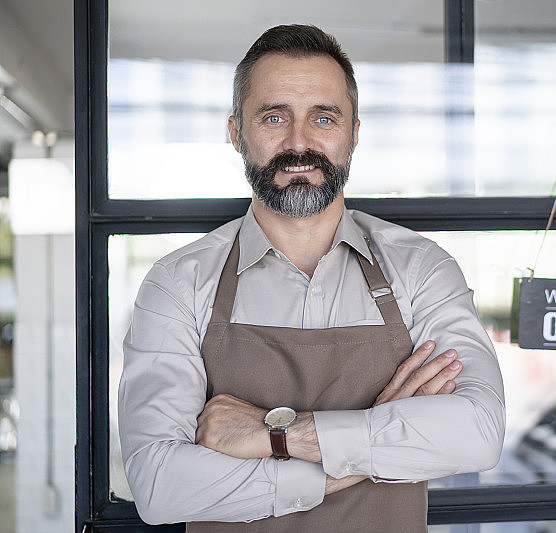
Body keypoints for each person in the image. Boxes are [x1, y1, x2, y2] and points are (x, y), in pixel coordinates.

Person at [118, 24, 505, 532]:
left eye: (324, 118)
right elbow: (159, 487)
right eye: (274, 117)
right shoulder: (178, 283)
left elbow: (478, 430)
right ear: (237, 132)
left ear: (354, 134)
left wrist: (274, 435)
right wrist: (368, 443)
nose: (299, 143)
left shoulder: (420, 267)